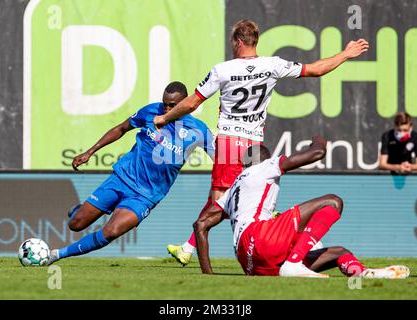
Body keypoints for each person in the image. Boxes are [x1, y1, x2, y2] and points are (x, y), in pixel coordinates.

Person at [153, 19, 370, 265]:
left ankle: (198, 250)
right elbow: (317, 69)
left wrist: (165, 117)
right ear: (255, 40)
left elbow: (192, 103)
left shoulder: (222, 69)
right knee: (242, 195)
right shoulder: (273, 65)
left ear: (237, 41)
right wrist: (346, 53)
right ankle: (189, 246)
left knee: (221, 200)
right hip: (255, 146)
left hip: (229, 143)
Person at [194, 135, 410, 279]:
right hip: (260, 237)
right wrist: (320, 140)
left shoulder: (233, 188)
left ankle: (361, 274)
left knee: (339, 253)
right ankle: (294, 263)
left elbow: (201, 224)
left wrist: (208, 276)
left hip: (251, 264)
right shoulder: (265, 167)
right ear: (265, 159)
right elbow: (316, 153)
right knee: (333, 202)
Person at [46, 81, 215, 264]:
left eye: (172, 106)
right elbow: (121, 128)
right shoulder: (151, 111)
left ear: (185, 104)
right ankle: (78, 211)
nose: (166, 109)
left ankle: (56, 255)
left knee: (111, 231)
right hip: (121, 178)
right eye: (164, 103)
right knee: (76, 224)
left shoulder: (198, 129)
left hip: (146, 195)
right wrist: (90, 151)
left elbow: (220, 156)